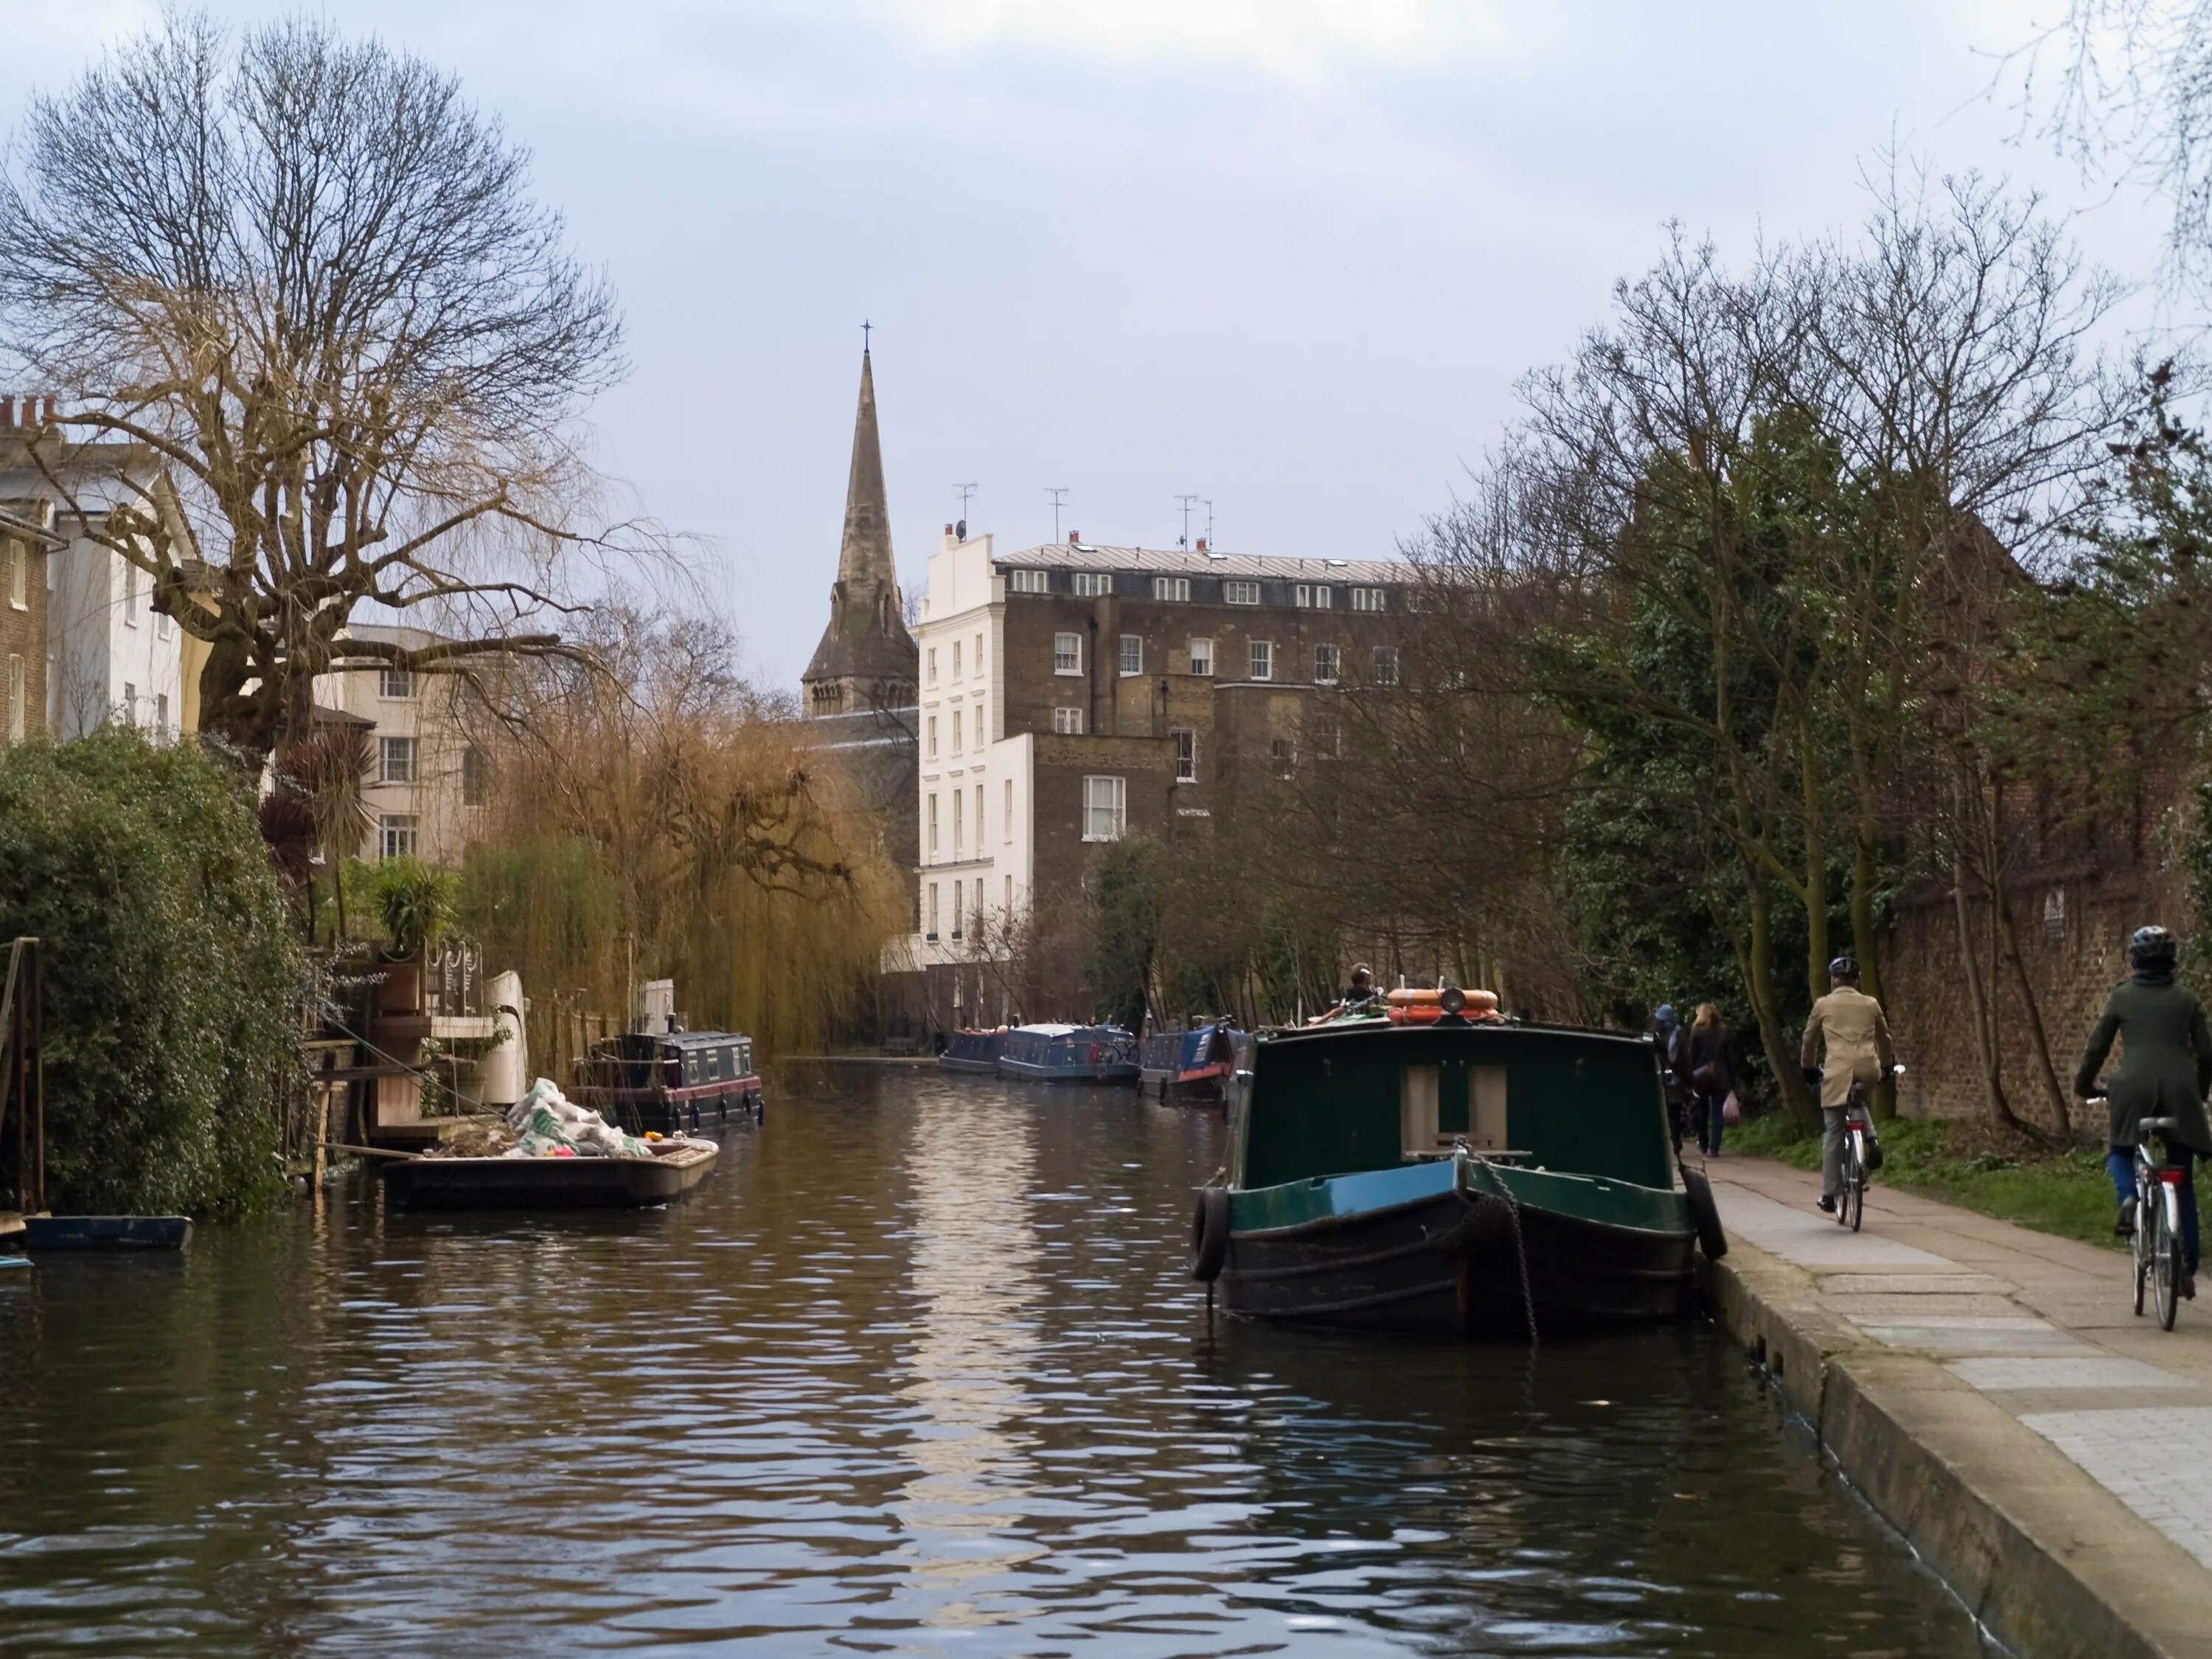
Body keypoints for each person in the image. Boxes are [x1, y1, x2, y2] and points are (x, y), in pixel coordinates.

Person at [2074, 925, 2212, 1300]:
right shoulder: (2187, 999)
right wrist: (2198, 1093)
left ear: (2135, 960)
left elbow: (2097, 1047)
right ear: (2173, 961)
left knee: (2119, 1151)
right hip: (2181, 1091)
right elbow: (2206, 1053)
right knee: (2180, 1174)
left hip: (2130, 1089)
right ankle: (2186, 1267)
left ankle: (2128, 1195)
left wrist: (2084, 1086)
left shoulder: (2122, 997)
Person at [1800, 957, 1896, 1215]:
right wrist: (1886, 1066)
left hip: (1837, 1069)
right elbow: (1884, 1038)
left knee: (1833, 1130)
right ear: (1857, 980)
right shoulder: (1870, 1003)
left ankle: (1831, 1194)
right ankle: (1872, 1140)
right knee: (1859, 1100)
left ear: (1832, 980)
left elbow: (1809, 1039)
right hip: (1867, 1067)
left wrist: (1808, 1067)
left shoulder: (1823, 1005)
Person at [1688, 1004, 1731, 1156]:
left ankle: (1704, 1141)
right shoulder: (1723, 1031)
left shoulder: (1696, 1032)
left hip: (1701, 1075)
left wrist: (1690, 1076)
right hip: (1720, 1076)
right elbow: (1729, 1057)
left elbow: (1692, 1056)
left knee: (1702, 1110)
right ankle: (1715, 1147)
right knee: (1717, 1112)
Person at [1653, 1004, 1689, 1153]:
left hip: (1674, 1077)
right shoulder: (1675, 1034)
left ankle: (1676, 1139)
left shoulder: (1673, 1037)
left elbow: (1675, 1059)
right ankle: (1676, 1140)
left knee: (1673, 1111)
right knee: (1673, 1111)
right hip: (1672, 1078)